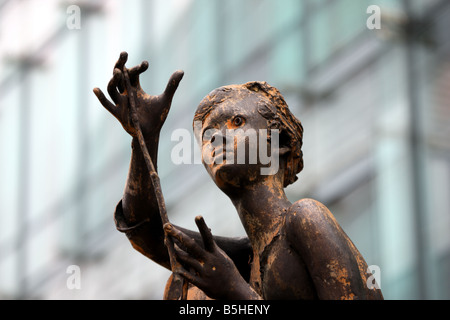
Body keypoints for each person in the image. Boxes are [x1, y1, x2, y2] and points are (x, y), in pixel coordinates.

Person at [93, 52, 383, 300]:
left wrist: (235, 292)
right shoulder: (243, 258)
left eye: (236, 122)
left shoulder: (306, 220)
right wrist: (145, 137)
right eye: (207, 136)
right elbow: (146, 232)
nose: (217, 138)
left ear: (278, 142)